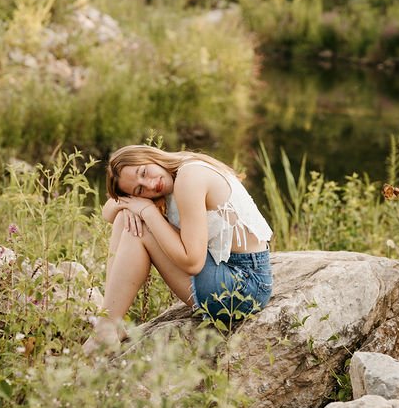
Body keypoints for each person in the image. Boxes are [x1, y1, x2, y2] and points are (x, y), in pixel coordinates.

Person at [86, 145, 273, 351]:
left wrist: (147, 210)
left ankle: (107, 326)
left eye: (144, 172)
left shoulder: (189, 176)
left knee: (140, 227)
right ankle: (110, 322)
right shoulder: (174, 170)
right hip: (227, 274)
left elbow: (192, 263)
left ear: (151, 156)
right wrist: (130, 204)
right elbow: (109, 212)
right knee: (126, 218)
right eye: (140, 190)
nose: (149, 184)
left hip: (244, 287)